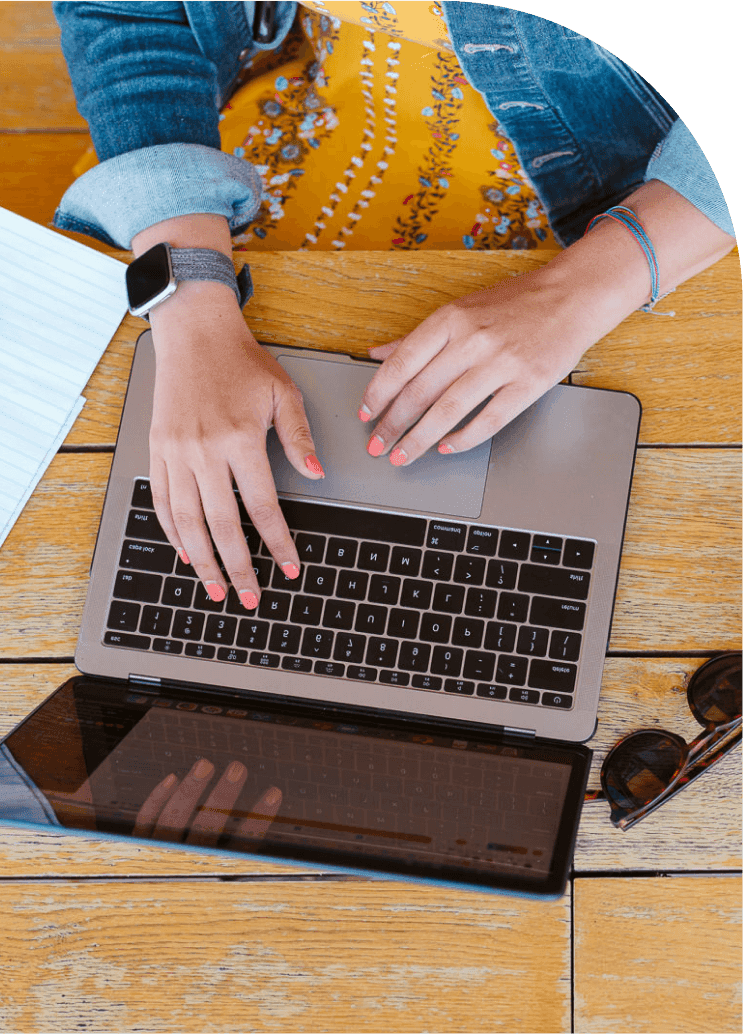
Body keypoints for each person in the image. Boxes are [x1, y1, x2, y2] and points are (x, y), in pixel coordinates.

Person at [52, 1, 735, 613]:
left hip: (650, 179)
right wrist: (192, 301)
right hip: (305, 105)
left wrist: (582, 289)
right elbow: (127, 14)